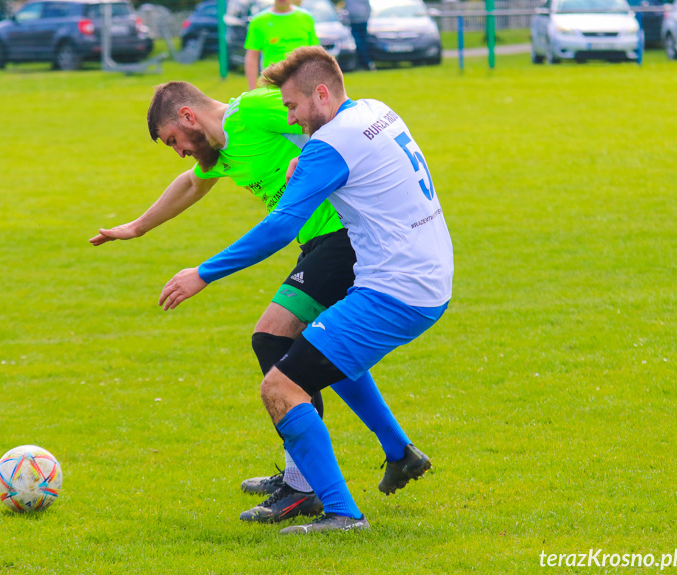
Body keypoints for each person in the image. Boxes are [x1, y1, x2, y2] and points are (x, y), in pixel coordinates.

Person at [89, 81, 431, 525]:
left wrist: (306, 157)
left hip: (343, 237)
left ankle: (304, 487)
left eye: (174, 140)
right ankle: (397, 452)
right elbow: (192, 184)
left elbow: (330, 117)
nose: (178, 151)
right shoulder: (221, 151)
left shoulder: (254, 110)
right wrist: (137, 227)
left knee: (273, 339)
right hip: (318, 244)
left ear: (189, 116)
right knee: (324, 352)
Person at [159, 46, 454, 534]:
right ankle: (393, 456)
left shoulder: (327, 147)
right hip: (427, 275)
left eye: (293, 107)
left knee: (280, 382)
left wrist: (203, 273)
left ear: (321, 93)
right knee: (315, 349)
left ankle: (337, 510)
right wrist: (307, 168)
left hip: (396, 290)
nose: (290, 119)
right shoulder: (376, 111)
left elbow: (279, 228)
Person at [244, 0, 319, 90]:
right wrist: (252, 89)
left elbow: (315, 55)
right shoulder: (258, 21)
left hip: (302, 86)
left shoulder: (306, 18)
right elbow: (252, 57)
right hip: (272, 85)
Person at [345, 0, 374, 70]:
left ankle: (365, 62)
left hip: (362, 21)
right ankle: (363, 62)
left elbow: (368, 7)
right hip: (353, 22)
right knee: (357, 43)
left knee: (361, 43)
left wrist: (366, 18)